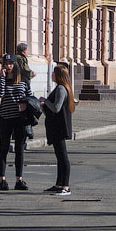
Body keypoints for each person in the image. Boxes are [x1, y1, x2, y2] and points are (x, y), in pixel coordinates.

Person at [0, 56, 30, 190]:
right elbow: (0, 94)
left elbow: (29, 96)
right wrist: (2, 78)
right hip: (4, 118)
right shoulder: (1, 80)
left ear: (15, 65)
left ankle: (19, 180)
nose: (8, 66)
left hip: (20, 120)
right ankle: (2, 180)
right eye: (6, 64)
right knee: (3, 149)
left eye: (11, 64)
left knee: (19, 150)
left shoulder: (23, 80)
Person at [41, 64, 76, 195]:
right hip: (57, 126)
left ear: (59, 75)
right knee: (59, 156)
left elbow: (56, 108)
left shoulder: (61, 89)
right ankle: (59, 184)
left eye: (54, 73)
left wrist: (45, 101)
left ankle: (65, 186)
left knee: (63, 157)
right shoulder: (60, 88)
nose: (52, 75)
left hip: (59, 127)